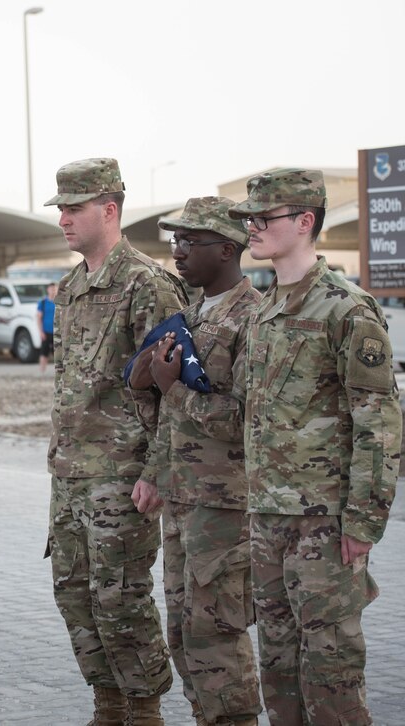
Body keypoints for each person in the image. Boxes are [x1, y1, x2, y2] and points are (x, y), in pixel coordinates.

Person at [228, 169, 400, 725]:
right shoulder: (263, 310)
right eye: (248, 218)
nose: (252, 227)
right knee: (278, 670)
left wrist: (363, 521)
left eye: (264, 218)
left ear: (306, 222)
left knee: (331, 674)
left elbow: (379, 423)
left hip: (323, 522)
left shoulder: (345, 309)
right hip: (268, 517)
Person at [43, 157, 186, 725]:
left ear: (109, 209)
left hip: (122, 475)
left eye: (74, 209)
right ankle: (107, 703)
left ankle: (144, 706)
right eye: (60, 210)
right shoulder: (72, 286)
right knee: (74, 595)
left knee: (120, 598)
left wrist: (158, 470)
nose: (63, 221)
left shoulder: (147, 284)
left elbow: (176, 394)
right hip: (70, 472)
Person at [126, 197, 262, 726]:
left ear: (227, 249)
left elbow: (251, 420)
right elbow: (168, 414)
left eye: (190, 242)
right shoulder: (190, 316)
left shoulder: (252, 319)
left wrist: (171, 388)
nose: (177, 253)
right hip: (184, 500)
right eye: (174, 241)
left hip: (225, 506)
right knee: (183, 637)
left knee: (218, 639)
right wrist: (156, 469)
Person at [35, 282, 56, 373]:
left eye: (54, 289)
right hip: (46, 332)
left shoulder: (59, 302)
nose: (53, 291)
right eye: (51, 289)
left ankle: (58, 373)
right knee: (44, 352)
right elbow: (38, 318)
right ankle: (41, 372)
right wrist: (40, 332)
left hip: (57, 332)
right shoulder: (43, 302)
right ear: (48, 290)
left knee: (58, 353)